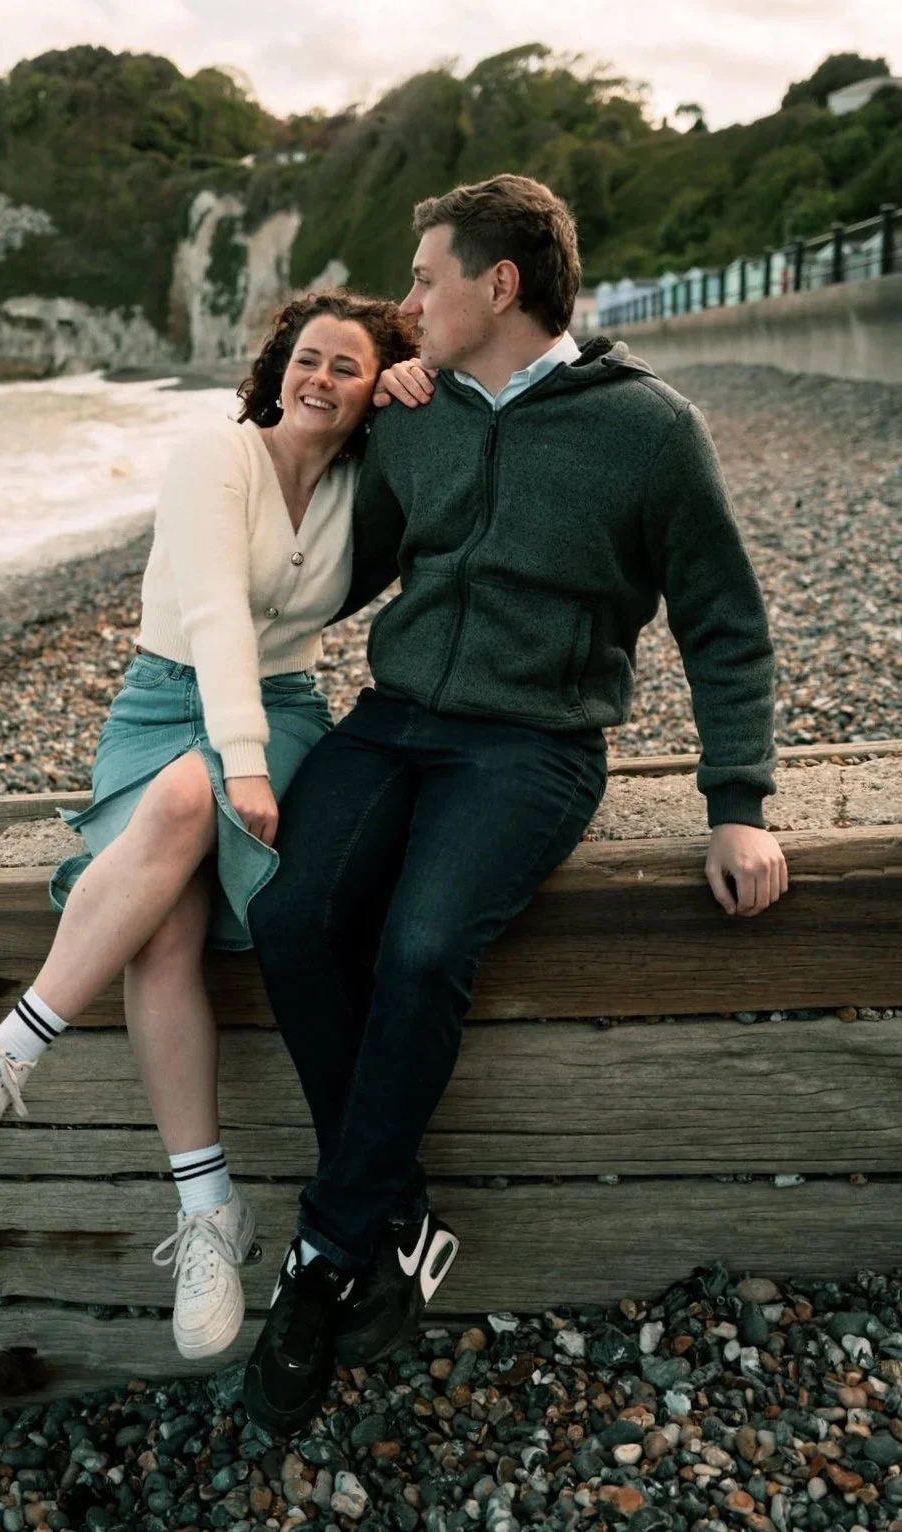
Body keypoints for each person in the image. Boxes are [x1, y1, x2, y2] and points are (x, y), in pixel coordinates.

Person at [242, 174, 789, 1435]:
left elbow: (724, 622)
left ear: (500, 285)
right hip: (393, 724)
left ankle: (327, 1246)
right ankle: (392, 1210)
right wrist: (321, 431)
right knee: (287, 913)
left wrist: (739, 799)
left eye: (426, 278)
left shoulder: (651, 429)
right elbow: (343, 561)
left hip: (534, 744)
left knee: (427, 944)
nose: (406, 302)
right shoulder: (415, 415)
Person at [0, 290, 418, 1363]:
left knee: (183, 813)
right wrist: (231, 757)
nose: (318, 378)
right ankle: (205, 1212)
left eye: (347, 367)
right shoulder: (212, 458)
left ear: (372, 391)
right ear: (278, 367)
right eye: (305, 358)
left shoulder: (368, 482)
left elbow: (458, 440)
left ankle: (12, 1045)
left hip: (283, 711)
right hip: (159, 703)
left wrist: (427, 386)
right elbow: (218, 607)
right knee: (166, 922)